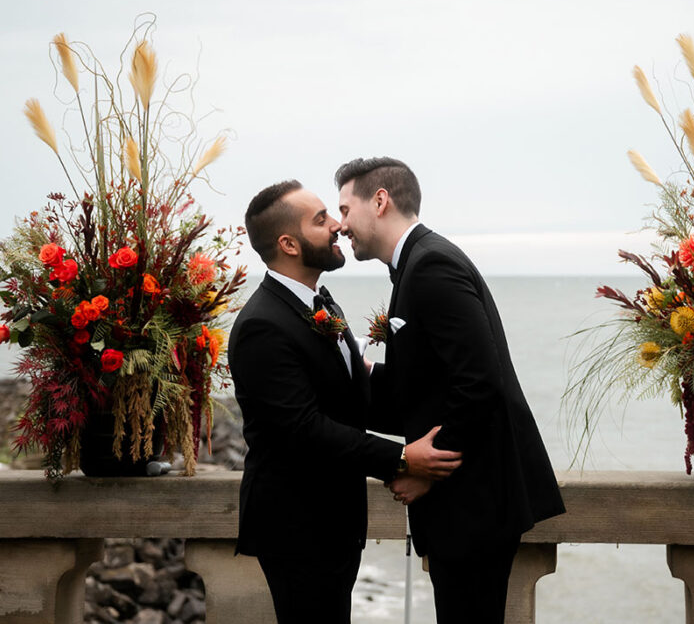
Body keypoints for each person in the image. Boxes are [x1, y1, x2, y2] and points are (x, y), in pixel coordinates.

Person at [334, 158, 566, 623]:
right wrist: (355, 375)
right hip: (471, 504)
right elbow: (424, 388)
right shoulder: (416, 264)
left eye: (345, 209)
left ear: (380, 201)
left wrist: (428, 469)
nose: (341, 226)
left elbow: (480, 381)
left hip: (473, 502)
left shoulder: (431, 265)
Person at [228, 180, 462, 624]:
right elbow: (304, 430)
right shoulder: (262, 325)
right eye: (321, 220)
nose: (338, 225)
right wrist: (400, 458)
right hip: (296, 525)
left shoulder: (322, 305)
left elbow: (353, 399)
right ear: (288, 244)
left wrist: (439, 410)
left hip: (333, 520)